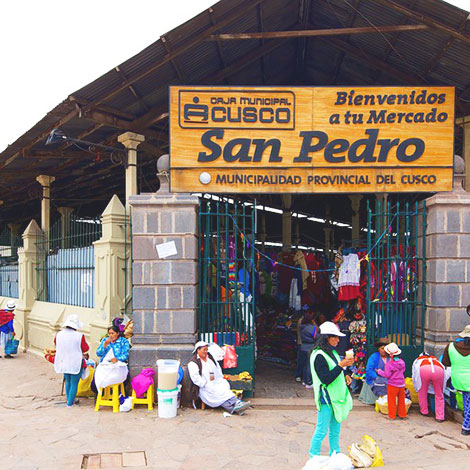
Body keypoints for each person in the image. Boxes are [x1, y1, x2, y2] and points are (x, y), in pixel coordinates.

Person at [309, 321, 354, 457]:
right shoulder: (318, 356)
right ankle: (313, 456)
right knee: (321, 430)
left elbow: (335, 370)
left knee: (335, 430)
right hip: (325, 398)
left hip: (336, 397)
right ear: (326, 338)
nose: (338, 340)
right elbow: (326, 378)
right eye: (335, 337)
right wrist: (341, 365)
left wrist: (346, 374)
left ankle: (335, 454)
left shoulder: (332, 353)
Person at [188, 341, 251, 415]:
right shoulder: (193, 363)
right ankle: (236, 404)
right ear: (198, 350)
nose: (206, 352)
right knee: (216, 394)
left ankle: (235, 406)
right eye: (204, 350)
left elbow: (217, 367)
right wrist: (205, 384)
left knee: (223, 386)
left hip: (216, 381)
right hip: (204, 387)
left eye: (206, 350)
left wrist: (220, 378)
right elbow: (195, 378)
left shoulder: (210, 357)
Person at [53, 315, 89, 407]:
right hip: (75, 361)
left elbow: (56, 344)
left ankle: (69, 400)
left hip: (63, 360)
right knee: (74, 383)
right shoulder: (79, 336)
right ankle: (70, 403)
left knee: (68, 381)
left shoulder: (59, 334)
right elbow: (85, 348)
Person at [442, 325, 470, 435]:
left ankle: (466, 420)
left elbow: (446, 363)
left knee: (467, 400)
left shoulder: (451, 346)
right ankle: (466, 427)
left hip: (458, 380)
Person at [91, 325, 130, 393]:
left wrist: (117, 359)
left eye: (113, 333)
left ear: (117, 333)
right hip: (105, 365)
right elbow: (98, 353)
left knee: (122, 378)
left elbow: (126, 355)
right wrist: (105, 344)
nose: (111, 335)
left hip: (118, 365)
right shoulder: (105, 340)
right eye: (109, 333)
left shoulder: (123, 341)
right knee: (95, 382)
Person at [376, 342, 407, 420]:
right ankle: (402, 414)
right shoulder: (402, 362)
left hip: (392, 385)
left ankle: (392, 416)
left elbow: (387, 375)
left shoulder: (389, 364)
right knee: (401, 400)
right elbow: (403, 371)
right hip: (401, 384)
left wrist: (379, 371)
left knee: (392, 401)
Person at [412, 353, 446, 422]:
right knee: (439, 394)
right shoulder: (435, 360)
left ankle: (424, 411)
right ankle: (440, 416)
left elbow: (415, 375)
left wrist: (416, 387)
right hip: (439, 370)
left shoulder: (418, 360)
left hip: (423, 370)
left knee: (422, 392)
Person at [360, 338, 390, 404]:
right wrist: (376, 377)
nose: (384, 351)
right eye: (382, 348)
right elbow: (369, 369)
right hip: (375, 379)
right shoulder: (374, 356)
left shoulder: (390, 358)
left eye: (385, 349)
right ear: (378, 349)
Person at [295, 309, 317, 388]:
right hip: (310, 347)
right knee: (309, 365)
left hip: (303, 346)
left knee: (304, 364)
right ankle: (309, 382)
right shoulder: (312, 328)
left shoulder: (301, 327)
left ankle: (304, 380)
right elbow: (315, 336)